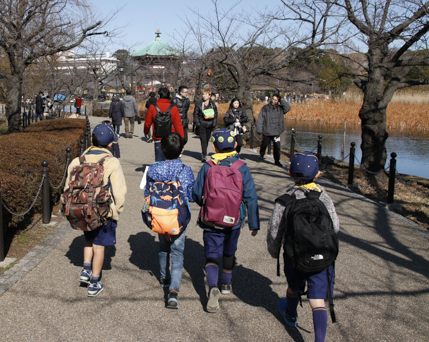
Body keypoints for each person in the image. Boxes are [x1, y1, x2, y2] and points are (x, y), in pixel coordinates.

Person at [267, 152, 339, 341]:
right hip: (322, 256)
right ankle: (319, 339)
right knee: (317, 299)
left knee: (293, 287)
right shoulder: (324, 198)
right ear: (317, 175)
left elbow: (275, 229)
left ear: (290, 172)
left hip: (294, 256)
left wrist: (274, 251)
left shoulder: (286, 200)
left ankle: (291, 314)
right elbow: (335, 226)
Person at [192, 128, 259, 313]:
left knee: (212, 253)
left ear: (214, 146)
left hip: (211, 219)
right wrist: (254, 223)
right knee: (229, 251)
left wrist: (205, 203)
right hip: (234, 219)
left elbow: (197, 193)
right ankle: (226, 284)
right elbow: (251, 196)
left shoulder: (208, 166)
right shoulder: (241, 167)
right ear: (235, 144)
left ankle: (212, 286)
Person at [64, 124, 127, 297]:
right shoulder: (112, 162)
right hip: (102, 211)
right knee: (99, 246)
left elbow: (67, 187)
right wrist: (116, 211)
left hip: (82, 210)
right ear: (110, 145)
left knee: (88, 240)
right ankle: (95, 281)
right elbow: (119, 191)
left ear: (91, 140)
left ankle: (85, 270)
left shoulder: (77, 161)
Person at [143, 132, 195, 309]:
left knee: (163, 247)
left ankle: (164, 278)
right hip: (178, 217)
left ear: (162, 149)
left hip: (159, 214)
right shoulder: (184, 170)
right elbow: (190, 195)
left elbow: (147, 194)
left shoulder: (152, 169)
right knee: (178, 252)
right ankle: (173, 291)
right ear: (182, 150)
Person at [143, 87, 184, 162]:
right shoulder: (174, 108)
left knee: (159, 160)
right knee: (170, 159)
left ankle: (159, 172)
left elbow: (147, 122)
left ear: (159, 95)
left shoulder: (152, 107)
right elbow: (178, 125)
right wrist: (181, 140)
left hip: (157, 137)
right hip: (170, 138)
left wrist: (146, 132)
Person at [256, 93, 291, 166]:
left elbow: (288, 107)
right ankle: (261, 155)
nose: (273, 101)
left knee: (277, 147)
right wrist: (259, 129)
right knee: (264, 145)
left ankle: (277, 160)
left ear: (278, 101)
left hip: (276, 131)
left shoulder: (280, 109)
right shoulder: (265, 108)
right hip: (267, 131)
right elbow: (260, 119)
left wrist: (281, 100)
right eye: (273, 99)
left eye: (275, 100)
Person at [192, 89, 218, 162]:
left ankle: (204, 152)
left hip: (210, 124)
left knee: (206, 139)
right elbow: (195, 114)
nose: (204, 96)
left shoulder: (212, 105)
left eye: (206, 94)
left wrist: (214, 124)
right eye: (203, 94)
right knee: (203, 140)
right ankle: (204, 155)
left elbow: (216, 115)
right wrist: (198, 124)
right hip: (202, 124)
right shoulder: (199, 104)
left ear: (209, 96)